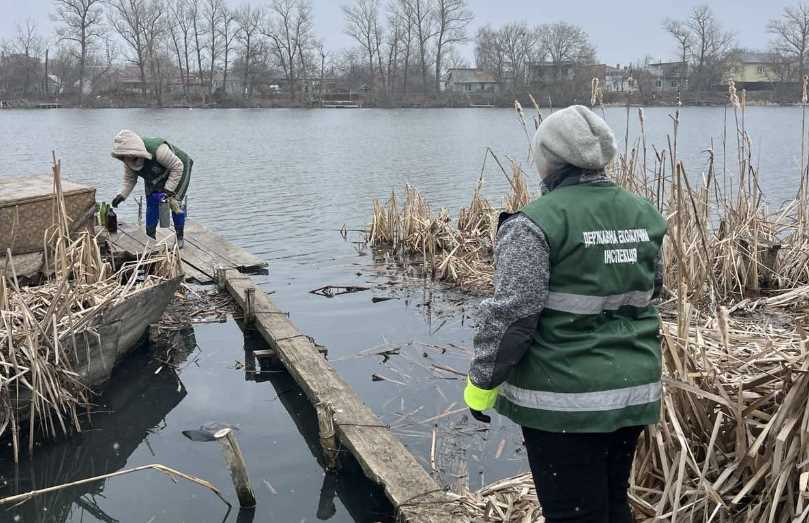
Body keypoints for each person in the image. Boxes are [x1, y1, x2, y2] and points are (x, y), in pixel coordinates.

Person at [464, 105, 667, 523]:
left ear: (549, 160)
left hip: (565, 403)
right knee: (611, 505)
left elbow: (513, 316)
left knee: (574, 515)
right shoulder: (644, 215)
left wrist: (481, 383)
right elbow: (653, 292)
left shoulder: (534, 223)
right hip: (632, 391)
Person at [110, 129, 193, 248]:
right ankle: (150, 238)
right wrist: (121, 195)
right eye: (124, 158)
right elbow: (129, 180)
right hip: (155, 176)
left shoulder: (159, 151)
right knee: (152, 205)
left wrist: (168, 191)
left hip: (178, 170)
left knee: (175, 203)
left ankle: (179, 237)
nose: (128, 161)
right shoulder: (127, 160)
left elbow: (177, 167)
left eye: (132, 158)